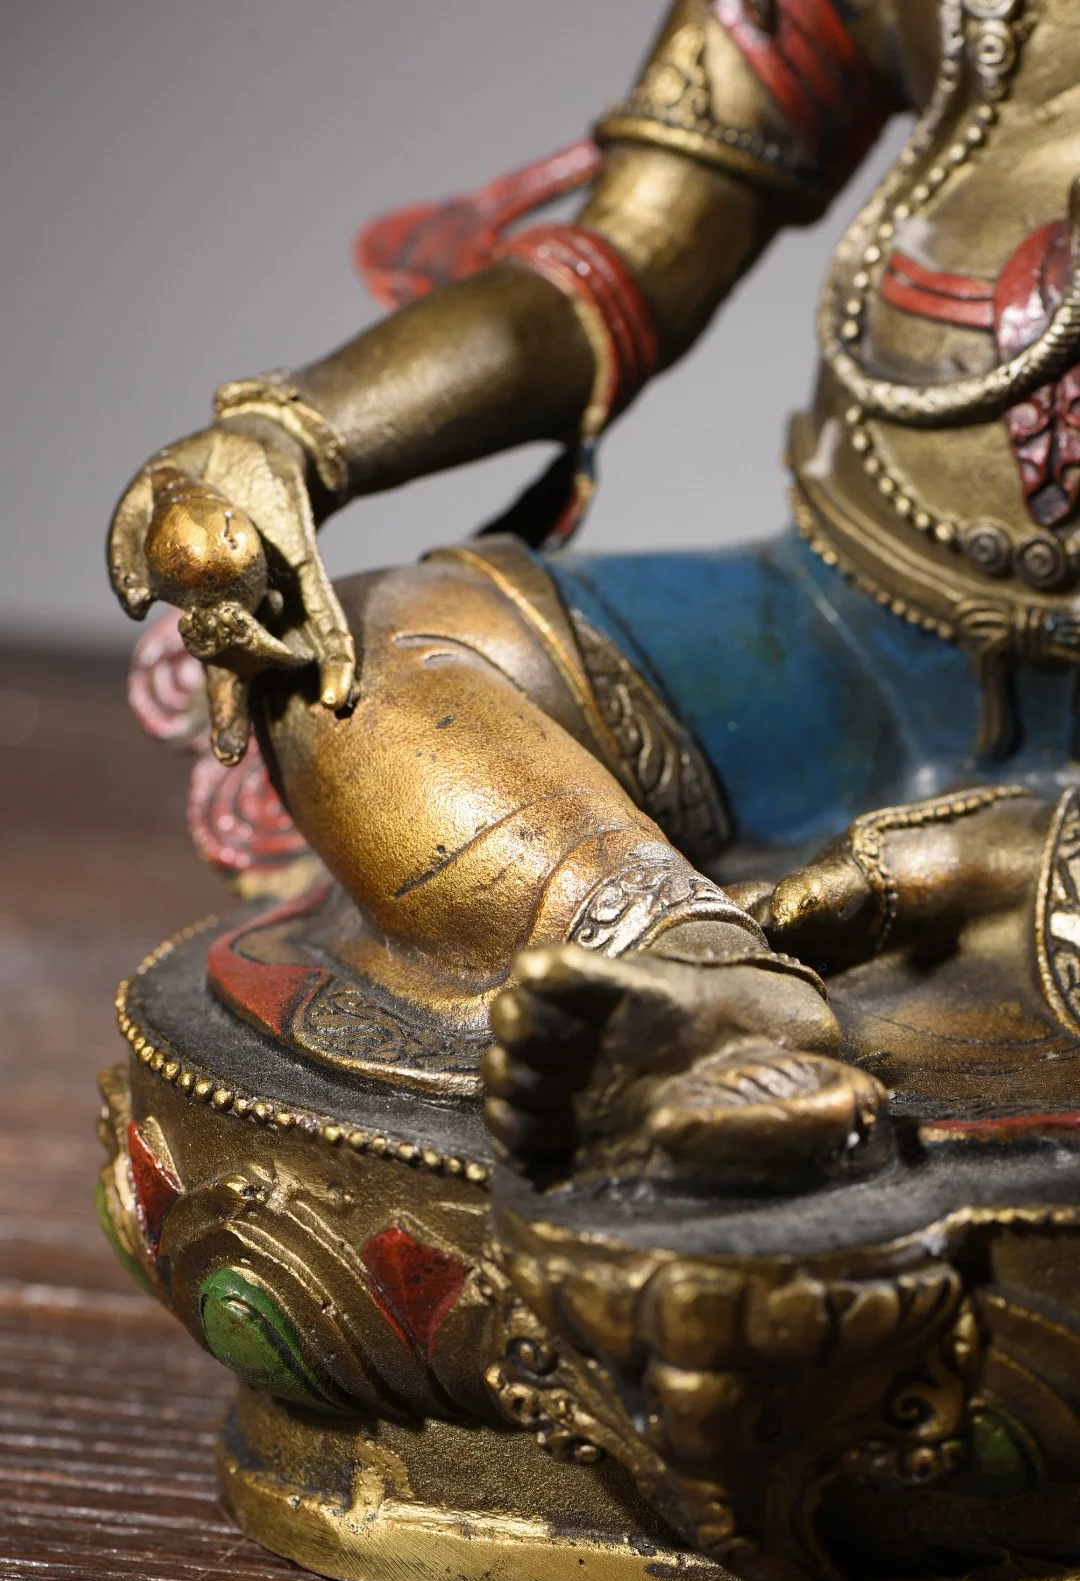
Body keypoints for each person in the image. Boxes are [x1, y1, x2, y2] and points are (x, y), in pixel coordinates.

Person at [106, 0, 1080, 1180]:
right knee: (351, 651)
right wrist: (294, 436)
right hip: (842, 634)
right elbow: (615, 266)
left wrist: (1026, 858)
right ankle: (703, 981)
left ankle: (877, 982)